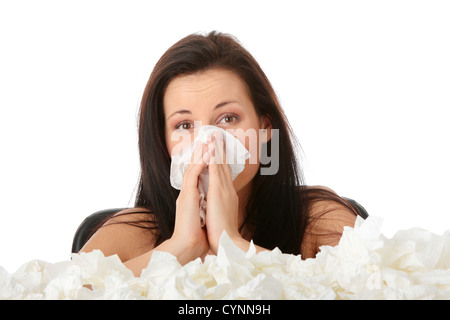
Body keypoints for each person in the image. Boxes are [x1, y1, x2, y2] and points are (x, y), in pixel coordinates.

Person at [80, 31, 358, 277]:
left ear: (263, 130)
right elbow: (57, 291)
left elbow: (380, 285)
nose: (209, 141)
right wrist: (179, 248)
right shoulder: (131, 233)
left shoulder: (319, 219)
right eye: (184, 125)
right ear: (162, 141)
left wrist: (232, 245)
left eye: (227, 119)